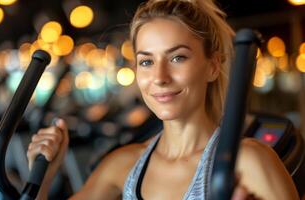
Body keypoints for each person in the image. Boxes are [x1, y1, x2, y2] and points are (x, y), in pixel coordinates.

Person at [27, 0, 300, 199]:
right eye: (146, 61)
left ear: (213, 66)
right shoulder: (123, 164)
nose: (159, 77)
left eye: (177, 57)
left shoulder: (248, 162)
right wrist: (44, 176)